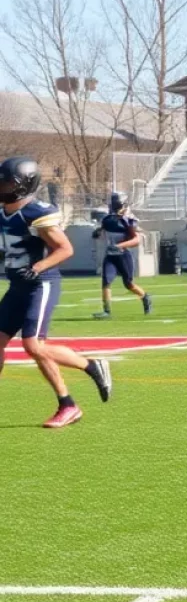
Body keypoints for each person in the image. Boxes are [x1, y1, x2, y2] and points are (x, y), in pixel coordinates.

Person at [0, 156, 112, 428]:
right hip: (18, 284)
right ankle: (69, 404)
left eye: (6, 183)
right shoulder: (4, 211)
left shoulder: (36, 213)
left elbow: (65, 249)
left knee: (34, 345)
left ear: (23, 185)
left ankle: (88, 370)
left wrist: (38, 267)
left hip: (41, 283)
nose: (2, 187)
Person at [91, 192, 152, 319]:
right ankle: (106, 311)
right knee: (106, 281)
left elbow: (136, 241)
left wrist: (120, 245)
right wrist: (98, 232)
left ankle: (145, 297)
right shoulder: (107, 220)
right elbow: (100, 232)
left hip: (123, 255)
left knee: (128, 284)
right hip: (111, 256)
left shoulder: (129, 221)